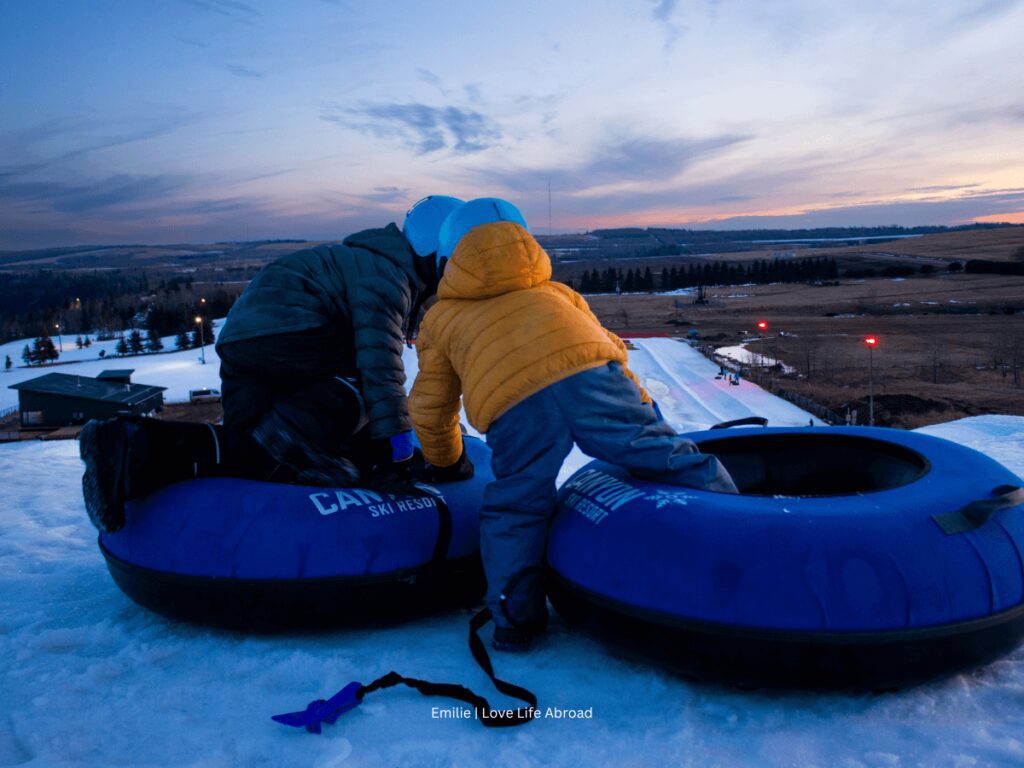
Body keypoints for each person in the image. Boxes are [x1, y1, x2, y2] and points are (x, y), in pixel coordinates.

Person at [409, 198, 737, 652]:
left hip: (515, 405)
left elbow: (431, 405)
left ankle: (515, 620)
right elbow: (613, 352)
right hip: (594, 379)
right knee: (670, 460)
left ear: (450, 260)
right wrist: (647, 418)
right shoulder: (559, 294)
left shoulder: (442, 318)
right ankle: (743, 532)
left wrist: (445, 462)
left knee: (517, 507)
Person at [80, 195, 464, 533]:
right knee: (359, 384)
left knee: (247, 449)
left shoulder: (366, 261)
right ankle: (319, 451)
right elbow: (380, 368)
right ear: (435, 256)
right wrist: (397, 451)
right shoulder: (386, 275)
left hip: (245, 343)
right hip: (292, 330)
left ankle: (128, 444)